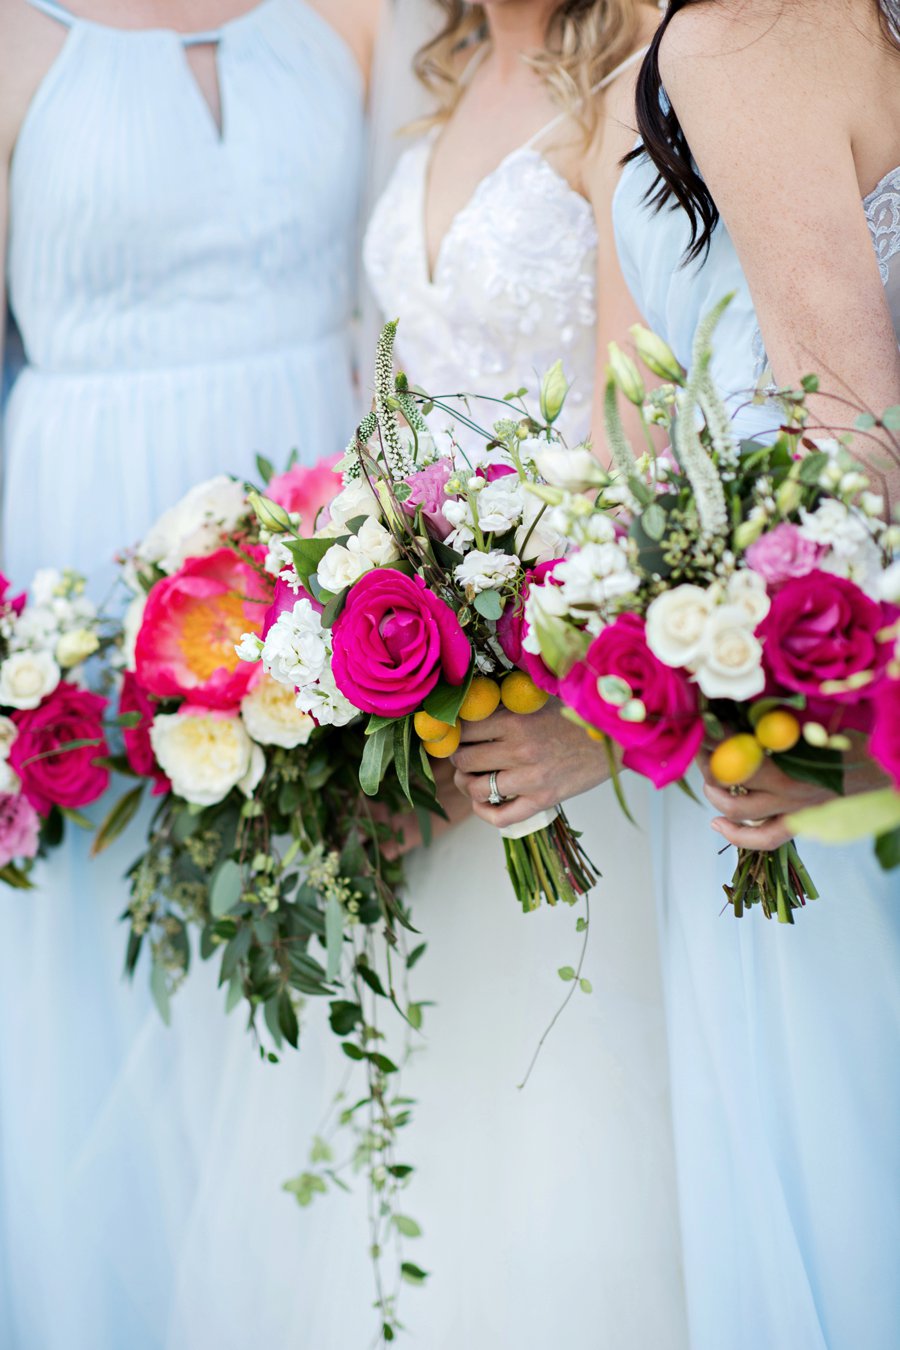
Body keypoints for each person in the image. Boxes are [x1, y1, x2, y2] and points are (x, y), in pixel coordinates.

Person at [455, 2, 900, 1347]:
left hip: (806, 751)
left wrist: (826, 725)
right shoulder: (709, 38)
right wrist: (600, 695)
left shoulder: (742, 32)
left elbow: (855, 437)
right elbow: (634, 436)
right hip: (756, 712)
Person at [0, 2, 381, 1345]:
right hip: (85, 573)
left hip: (320, 551)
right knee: (104, 978)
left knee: (318, 941)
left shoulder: (353, 14)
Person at [363, 3, 689, 1345]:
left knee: (572, 1161)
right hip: (418, 673)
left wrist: (594, 712)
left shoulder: (633, 77)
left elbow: (648, 430)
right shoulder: (436, 77)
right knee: (431, 1137)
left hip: (565, 698)